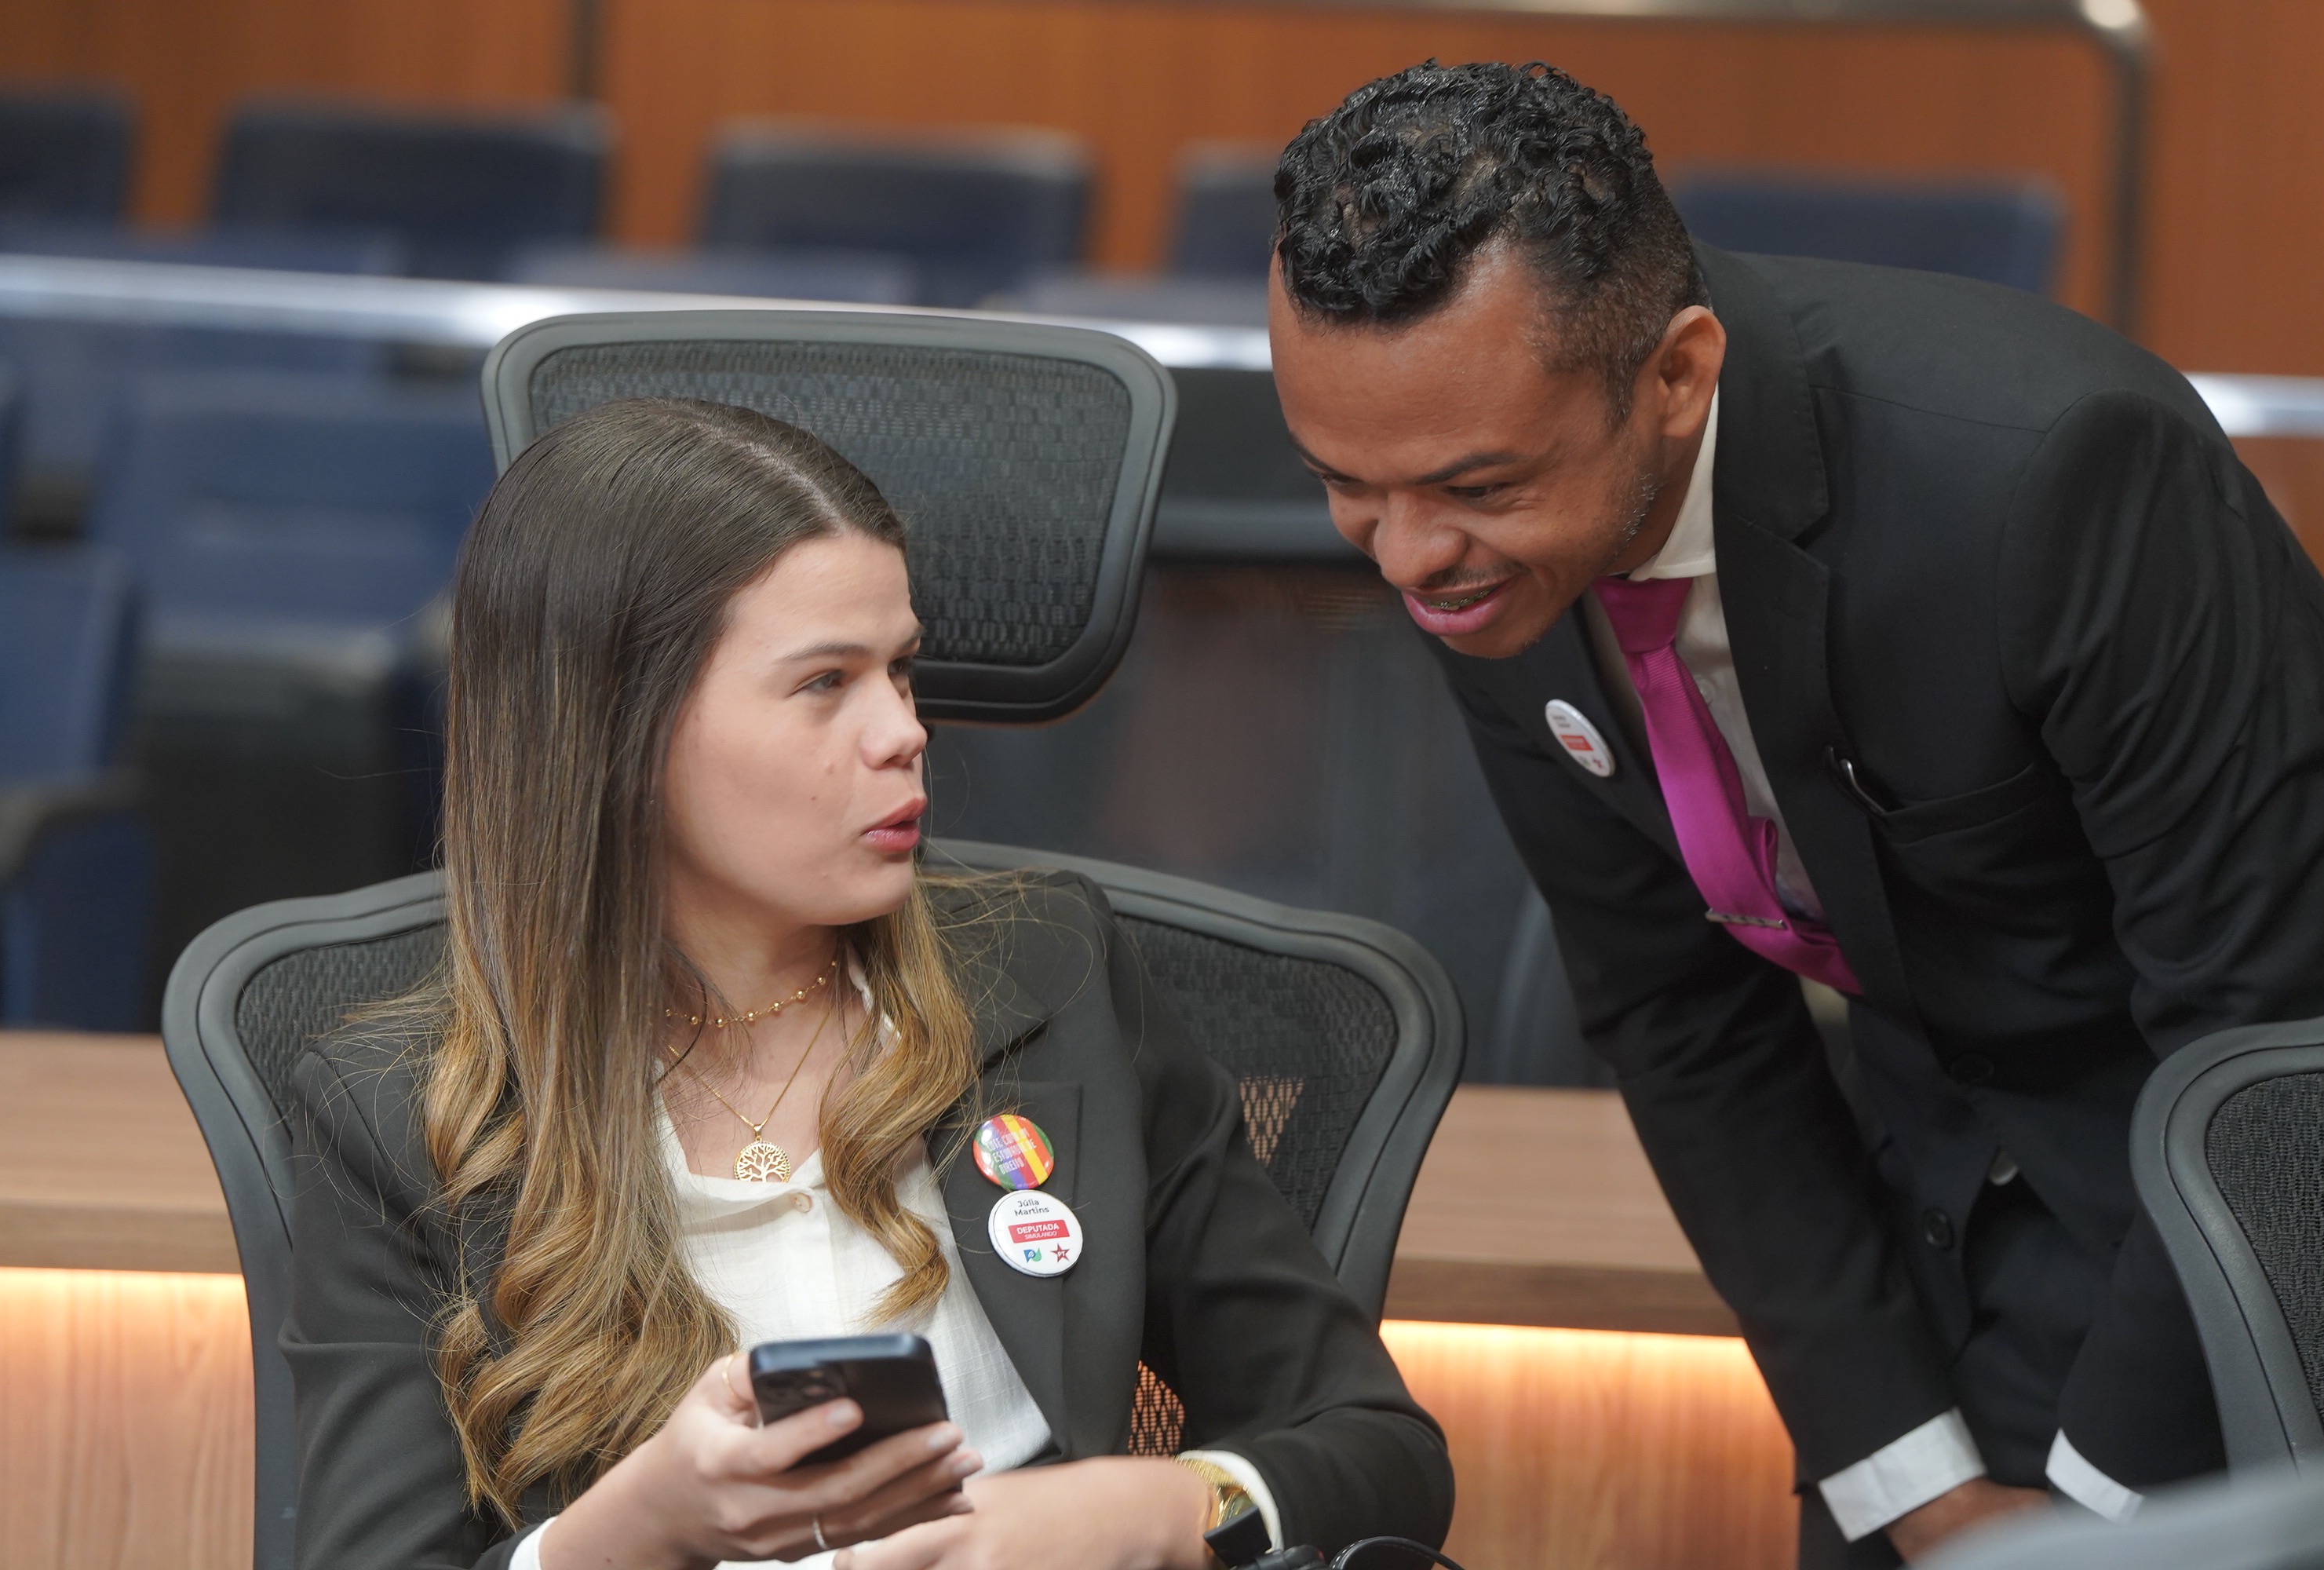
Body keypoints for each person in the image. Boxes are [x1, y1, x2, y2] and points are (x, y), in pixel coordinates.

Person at [1266, 60, 2324, 1568]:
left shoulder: (2058, 477)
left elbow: (2265, 1043)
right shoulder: (1471, 534)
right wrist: (1911, 1480)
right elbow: (1677, 1018)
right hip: (1928, 1242)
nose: (1404, 558)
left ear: (1677, 375)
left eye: (1474, 487)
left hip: (2249, 1258)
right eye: (1345, 485)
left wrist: (2087, 1526)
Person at [281, 398, 1453, 1570]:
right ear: (614, 730)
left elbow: (1375, 1451)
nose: (903, 731)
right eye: (825, 683)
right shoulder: (394, 1115)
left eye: (900, 669)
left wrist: (1141, 1514)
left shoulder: (1050, 979)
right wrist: (638, 1530)